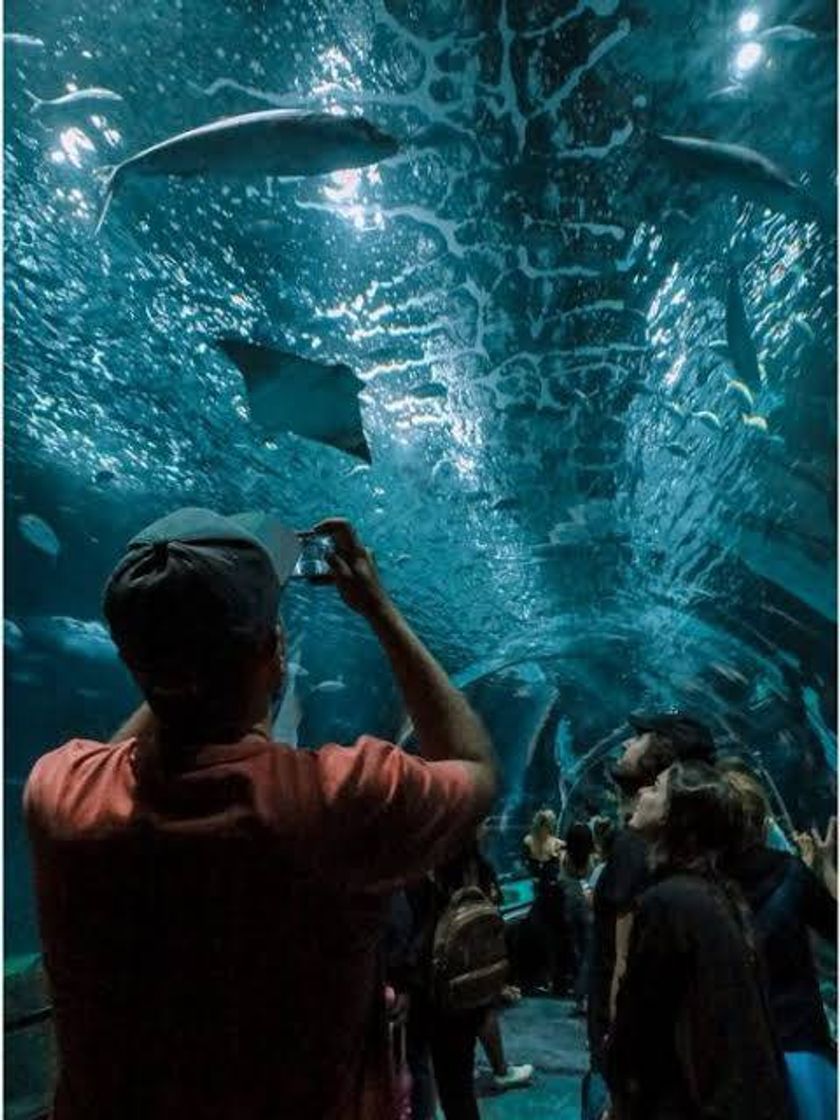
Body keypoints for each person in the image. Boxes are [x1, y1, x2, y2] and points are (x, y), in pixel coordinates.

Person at [23, 509, 498, 1120]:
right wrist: (378, 606)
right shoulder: (337, 799)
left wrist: (172, 649)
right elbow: (475, 766)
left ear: (133, 662)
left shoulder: (59, 794)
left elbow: (128, 749)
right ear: (274, 650)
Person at [605, 760, 794, 1120]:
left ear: (676, 817)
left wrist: (622, 1092)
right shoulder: (719, 894)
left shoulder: (668, 902)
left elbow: (643, 1023)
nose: (642, 792)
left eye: (656, 788)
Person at [582, 711, 716, 1120]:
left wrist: (614, 1048)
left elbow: (624, 962)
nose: (624, 744)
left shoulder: (634, 847)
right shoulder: (683, 850)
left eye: (638, 738)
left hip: (625, 1048)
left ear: (661, 760)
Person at [720, 762, 837, 1120]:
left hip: (728, 1049)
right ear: (763, 821)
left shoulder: (700, 882)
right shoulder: (791, 874)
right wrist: (827, 869)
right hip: (799, 1042)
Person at [402, 828, 533, 1120]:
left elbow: (416, 936)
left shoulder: (423, 869)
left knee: (428, 1074)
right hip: (468, 990)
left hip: (432, 991)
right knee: (458, 1087)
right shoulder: (478, 866)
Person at [521, 807, 567, 993]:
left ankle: (548, 978)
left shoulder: (552, 844)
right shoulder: (548, 844)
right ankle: (547, 978)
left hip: (548, 895)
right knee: (548, 938)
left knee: (548, 937)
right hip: (544, 895)